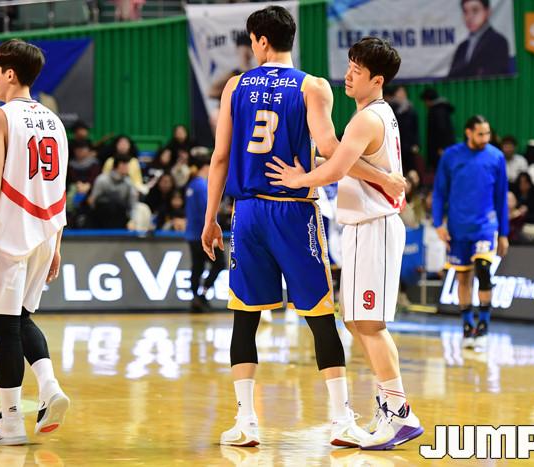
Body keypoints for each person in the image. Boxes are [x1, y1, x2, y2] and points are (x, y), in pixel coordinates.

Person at [200, 6, 403, 448]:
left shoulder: (234, 86)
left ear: (260, 41)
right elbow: (331, 150)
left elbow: (219, 158)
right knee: (320, 317)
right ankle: (341, 420)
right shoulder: (313, 86)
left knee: (245, 317)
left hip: (247, 212)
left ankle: (246, 422)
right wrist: (384, 178)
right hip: (294, 211)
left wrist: (210, 217)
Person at [266, 37, 423, 450]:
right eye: (349, 66)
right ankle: (389, 407)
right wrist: (316, 164)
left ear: (378, 80)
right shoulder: (372, 115)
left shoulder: (367, 118)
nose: (348, 75)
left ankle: (399, 413)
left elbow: (337, 170)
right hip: (362, 227)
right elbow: (345, 163)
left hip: (374, 227)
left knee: (369, 325)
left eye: (358, 70)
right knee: (356, 322)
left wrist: (300, 178)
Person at [0, 39, 70, 446]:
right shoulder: (55, 121)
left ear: (10, 73)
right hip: (46, 231)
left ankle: (10, 421)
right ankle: (49, 387)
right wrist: (57, 242)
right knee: (21, 318)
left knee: (4, 325)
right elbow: (59, 187)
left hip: (10, 231)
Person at [432, 115, 509, 350]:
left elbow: (501, 197)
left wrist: (503, 233)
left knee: (483, 270)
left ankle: (483, 326)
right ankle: (467, 326)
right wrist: (438, 223)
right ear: (468, 133)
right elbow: (439, 192)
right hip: (458, 227)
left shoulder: (496, 157)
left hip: (485, 226)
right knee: (463, 277)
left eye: (488, 134)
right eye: (481, 134)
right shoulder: (451, 156)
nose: (485, 138)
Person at [186, 155, 224, 312]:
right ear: (205, 167)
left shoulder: (192, 185)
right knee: (219, 263)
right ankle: (202, 295)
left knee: (197, 266)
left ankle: (196, 298)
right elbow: (206, 211)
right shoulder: (202, 186)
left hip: (191, 234)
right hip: (202, 234)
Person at [448, 0, 510, 79]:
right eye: (465, 12)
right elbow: (451, 78)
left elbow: (492, 77)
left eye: (475, 10)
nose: (469, 17)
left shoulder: (498, 42)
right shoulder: (462, 47)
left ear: (487, 12)